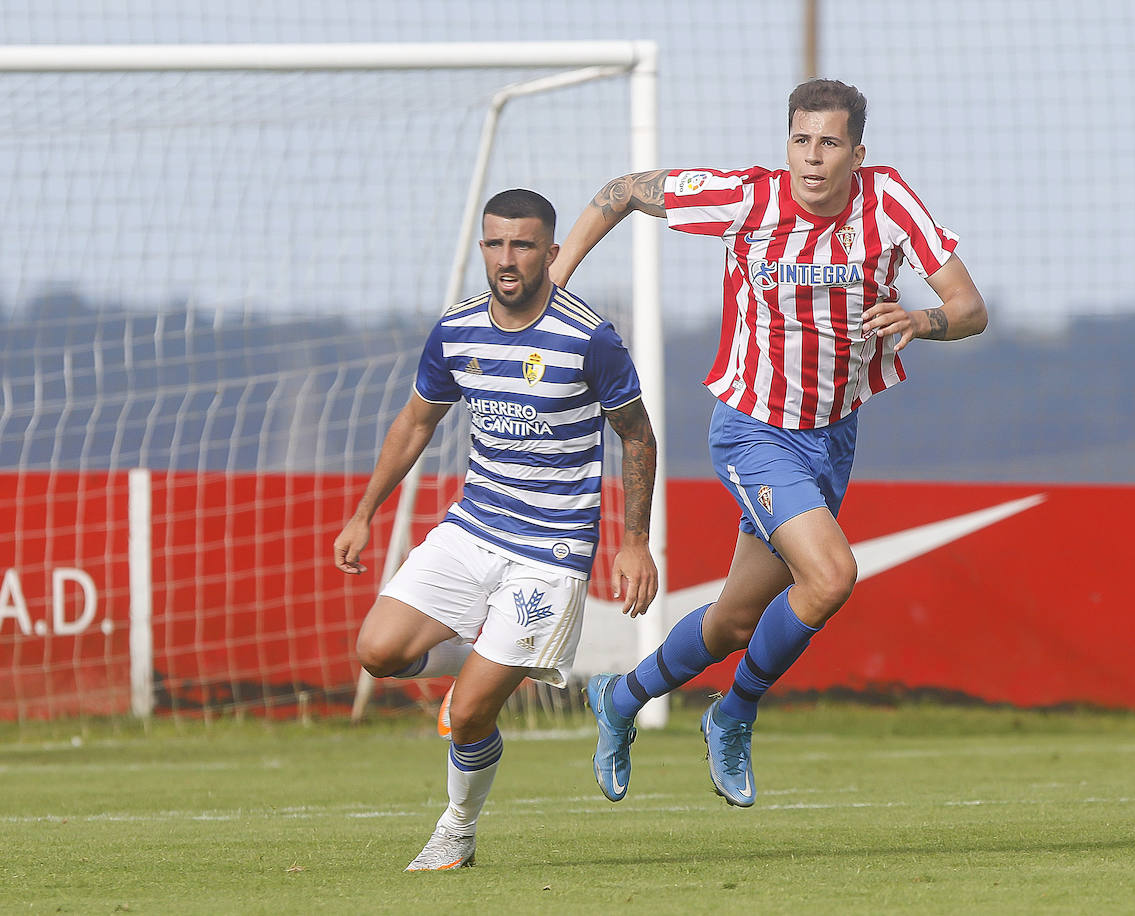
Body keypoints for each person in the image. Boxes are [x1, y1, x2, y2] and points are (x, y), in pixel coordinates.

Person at [550, 79, 987, 808]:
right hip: (753, 431)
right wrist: (555, 288)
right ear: (787, 143)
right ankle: (734, 713)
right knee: (831, 577)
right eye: (801, 141)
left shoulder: (890, 202)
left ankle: (621, 698)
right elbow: (622, 190)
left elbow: (970, 308)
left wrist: (923, 320)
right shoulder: (748, 198)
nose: (812, 160)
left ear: (857, 151)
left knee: (733, 620)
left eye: (830, 143)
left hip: (831, 438)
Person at [334, 188, 658, 869]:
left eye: (522, 244)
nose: (506, 259)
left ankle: (457, 828)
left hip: (551, 549)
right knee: (377, 651)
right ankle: (489, 656)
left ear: (549, 251)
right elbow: (416, 422)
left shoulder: (589, 339)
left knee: (470, 711)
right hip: (473, 526)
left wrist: (634, 542)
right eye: (495, 243)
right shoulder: (457, 328)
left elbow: (637, 437)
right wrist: (365, 513)